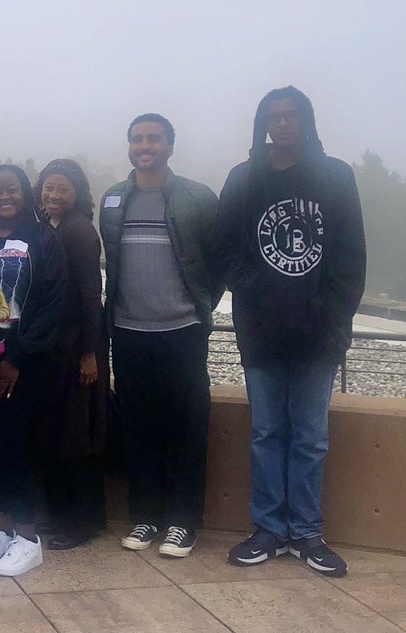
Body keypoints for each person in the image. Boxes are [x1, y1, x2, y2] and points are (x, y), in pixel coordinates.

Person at [219, 87, 366, 578]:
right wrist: (259, 293)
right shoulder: (243, 179)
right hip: (260, 334)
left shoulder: (335, 177)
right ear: (263, 123)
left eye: (291, 116)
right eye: (274, 116)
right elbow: (227, 252)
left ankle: (306, 531)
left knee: (309, 437)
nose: (282, 124)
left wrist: (328, 315)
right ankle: (268, 529)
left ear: (306, 120)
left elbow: (350, 259)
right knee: (265, 433)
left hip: (318, 337)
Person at [101, 114, 223, 558]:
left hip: (183, 332)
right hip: (129, 333)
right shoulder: (115, 199)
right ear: (128, 146)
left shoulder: (197, 198)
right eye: (137, 139)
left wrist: (198, 305)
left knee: (188, 429)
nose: (144, 146)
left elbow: (218, 262)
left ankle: (183, 522)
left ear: (171, 146)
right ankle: (146, 517)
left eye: (153, 139)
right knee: (138, 430)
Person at [0, 165, 66, 577]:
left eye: (13, 189)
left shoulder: (43, 239)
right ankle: (1, 530)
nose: (5, 196)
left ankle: (28, 537)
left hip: (20, 363)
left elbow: (50, 305)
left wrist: (16, 360)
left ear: (27, 193)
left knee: (13, 446)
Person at [33, 159, 109, 550]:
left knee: (77, 436)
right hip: (54, 350)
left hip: (79, 351)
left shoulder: (79, 231)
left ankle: (82, 523)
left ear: (77, 193)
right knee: (58, 433)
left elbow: (90, 296)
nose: (53, 195)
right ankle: (63, 516)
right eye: (48, 188)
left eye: (62, 189)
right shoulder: (48, 227)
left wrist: (90, 353)